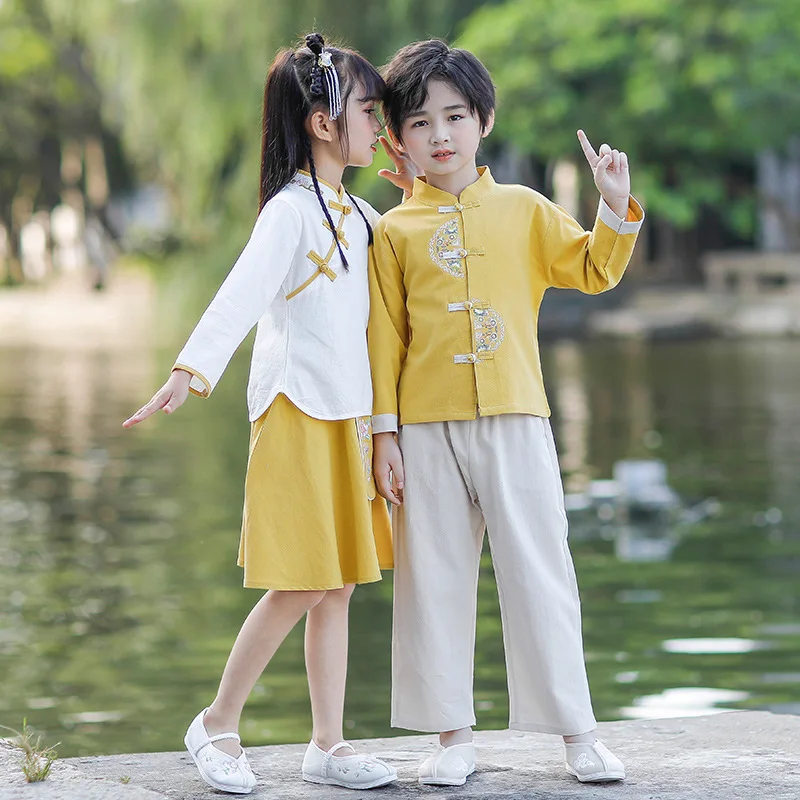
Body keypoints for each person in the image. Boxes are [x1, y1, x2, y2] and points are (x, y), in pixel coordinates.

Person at [123, 33, 414, 794]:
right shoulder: (289, 211)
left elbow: (392, 303)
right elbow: (241, 294)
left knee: (340, 584)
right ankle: (216, 723)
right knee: (301, 582)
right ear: (323, 122)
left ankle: (328, 744)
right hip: (293, 410)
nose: (380, 128)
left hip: (348, 418)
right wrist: (191, 369)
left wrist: (416, 197)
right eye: (368, 112)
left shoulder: (363, 214)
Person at [368, 39, 644, 787]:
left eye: (455, 116)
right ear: (398, 137)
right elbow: (384, 340)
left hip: (519, 418)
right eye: (420, 123)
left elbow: (593, 267)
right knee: (433, 580)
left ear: (483, 119)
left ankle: (579, 735)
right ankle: (452, 738)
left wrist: (614, 205)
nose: (440, 136)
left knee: (541, 571)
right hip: (422, 429)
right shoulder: (393, 231)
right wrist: (382, 436)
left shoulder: (522, 208)